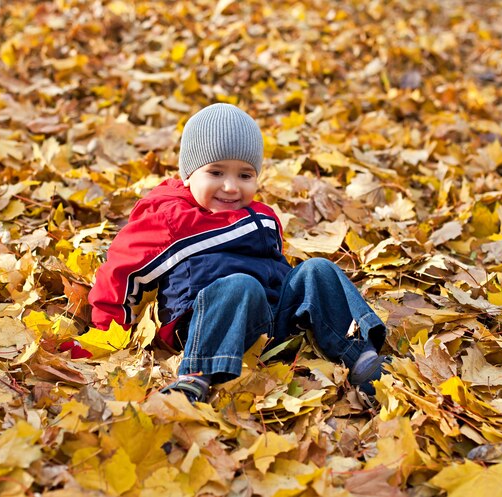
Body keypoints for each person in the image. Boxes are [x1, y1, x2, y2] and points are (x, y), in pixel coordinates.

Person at [88, 103, 387, 403]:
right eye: (216, 172)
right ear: (189, 174)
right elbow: (122, 274)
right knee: (240, 284)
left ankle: (360, 355)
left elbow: (275, 268)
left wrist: (301, 296)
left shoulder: (262, 217)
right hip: (205, 323)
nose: (230, 187)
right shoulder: (170, 220)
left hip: (267, 321)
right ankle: (196, 376)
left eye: (245, 176)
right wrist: (108, 334)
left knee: (318, 269)